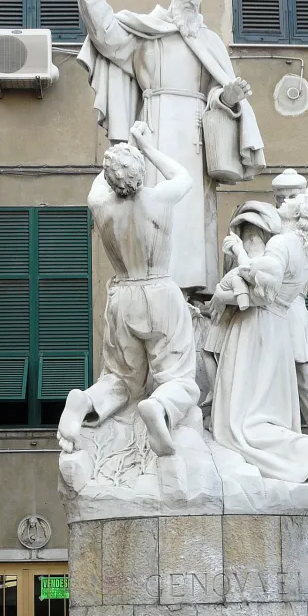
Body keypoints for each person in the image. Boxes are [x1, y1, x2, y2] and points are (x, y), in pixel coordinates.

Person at [59, 0, 265, 292]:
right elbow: (105, 33)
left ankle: (194, 289)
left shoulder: (209, 41)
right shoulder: (146, 31)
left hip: (195, 136)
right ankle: (156, 279)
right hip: (153, 130)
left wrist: (228, 98)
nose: (195, 1)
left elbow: (215, 93)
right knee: (156, 206)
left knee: (191, 209)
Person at [57, 122, 199, 458]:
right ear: (140, 172)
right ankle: (161, 407)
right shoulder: (158, 198)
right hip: (161, 292)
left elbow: (99, 183)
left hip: (122, 296)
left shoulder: (100, 205)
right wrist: (145, 148)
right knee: (178, 377)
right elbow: (184, 176)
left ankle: (87, 400)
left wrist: (115, 152)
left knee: (121, 378)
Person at [208, 189, 308, 491]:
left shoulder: (281, 244)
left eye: (292, 200)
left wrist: (238, 254)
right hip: (278, 332)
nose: (285, 201)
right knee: (265, 417)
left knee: (239, 425)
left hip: (257, 328)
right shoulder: (305, 249)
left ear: (299, 216)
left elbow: (260, 285)